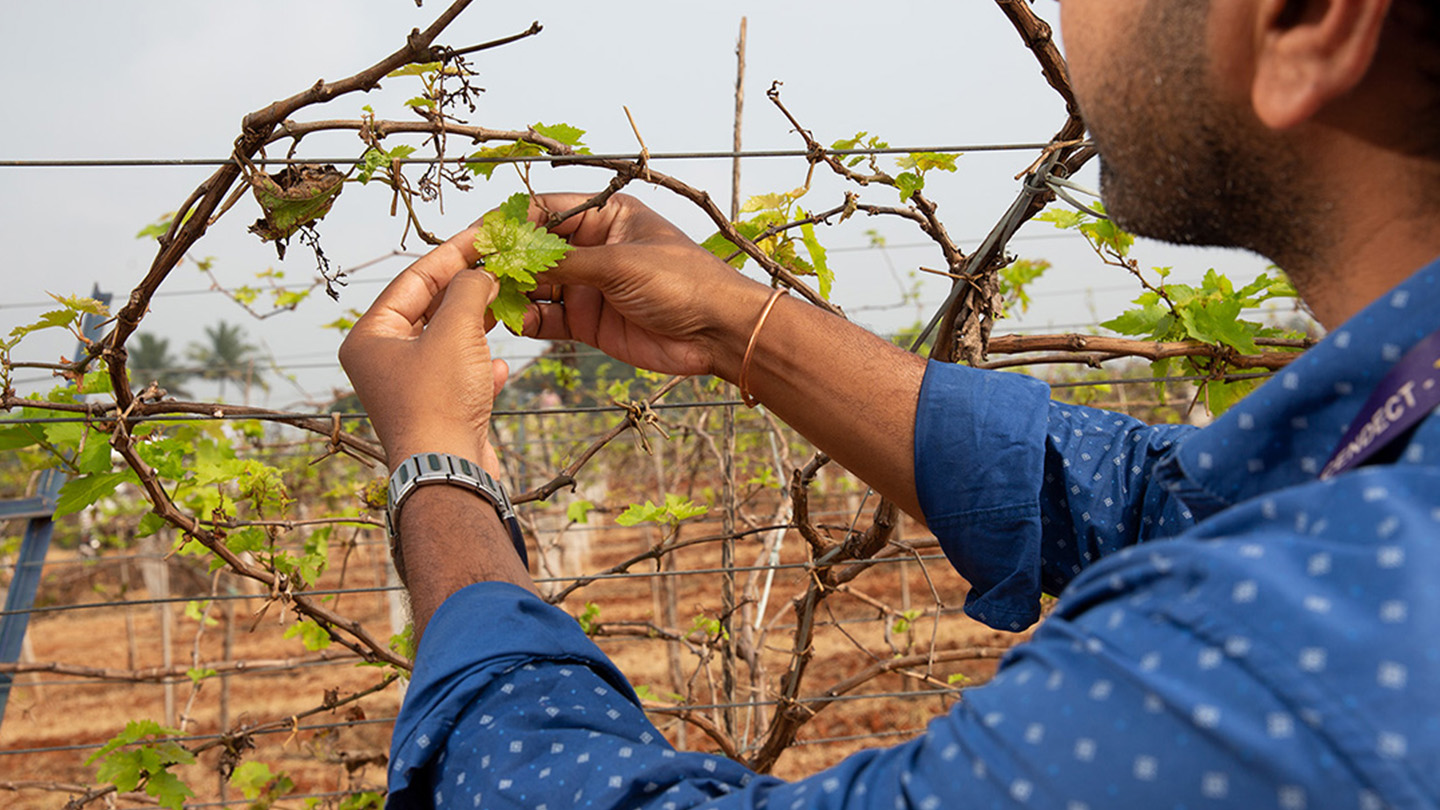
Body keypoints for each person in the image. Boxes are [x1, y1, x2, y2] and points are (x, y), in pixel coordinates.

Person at [339, 0, 1440, 806]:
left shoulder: (1292, 660)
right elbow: (1151, 498)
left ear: (1307, 19)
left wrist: (439, 465)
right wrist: (735, 320)